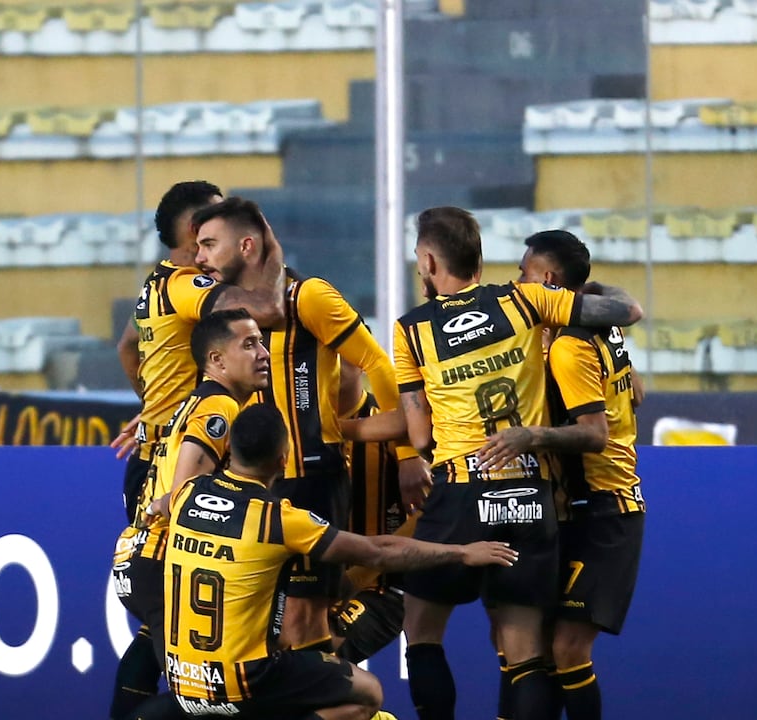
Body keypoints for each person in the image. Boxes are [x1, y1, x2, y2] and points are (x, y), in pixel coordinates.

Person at [341, 206, 642, 720]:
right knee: (525, 648)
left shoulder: (412, 329)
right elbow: (624, 313)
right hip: (529, 493)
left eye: (419, 259)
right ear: (481, 258)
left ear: (431, 261)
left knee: (422, 630)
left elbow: (419, 433)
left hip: (460, 491)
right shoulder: (527, 300)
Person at [163, 403, 519, 720]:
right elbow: (378, 551)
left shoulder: (186, 493)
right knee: (367, 695)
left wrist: (151, 508)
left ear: (229, 450)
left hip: (182, 681)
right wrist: (462, 552)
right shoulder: (277, 519)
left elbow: (160, 504)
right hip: (246, 681)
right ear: (284, 458)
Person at [192, 196, 402, 653]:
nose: (199, 257)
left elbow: (376, 364)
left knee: (304, 626)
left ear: (247, 245)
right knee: (264, 624)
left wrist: (405, 455)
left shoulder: (309, 297)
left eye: (209, 244)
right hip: (251, 486)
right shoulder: (221, 313)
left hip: (311, 478)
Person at [108, 182, 286, 720]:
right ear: (195, 232)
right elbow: (268, 310)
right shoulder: (190, 285)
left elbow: (126, 346)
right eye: (214, 220)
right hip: (178, 468)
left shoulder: (155, 284)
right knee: (192, 643)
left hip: (162, 450)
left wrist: (160, 405)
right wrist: (269, 249)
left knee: (164, 630)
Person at [511, 230, 646, 720]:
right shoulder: (605, 330)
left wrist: (533, 437)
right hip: (582, 509)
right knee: (541, 647)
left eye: (524, 273)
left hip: (606, 511)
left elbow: (594, 435)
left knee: (567, 647)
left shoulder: (568, 348)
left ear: (547, 280)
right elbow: (637, 394)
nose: (516, 282)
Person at [113, 308, 271, 720]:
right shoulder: (219, 406)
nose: (264, 353)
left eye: (262, 341)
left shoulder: (200, 399)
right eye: (249, 344)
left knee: (154, 661)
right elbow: (186, 496)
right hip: (163, 562)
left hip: (142, 559)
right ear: (216, 361)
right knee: (201, 691)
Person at [331, 363, 422, 664]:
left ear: (359, 362)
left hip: (380, 586)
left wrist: (360, 574)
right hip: (314, 586)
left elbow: (430, 510)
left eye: (336, 354)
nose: (325, 365)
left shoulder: (393, 424)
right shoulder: (297, 426)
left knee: (323, 650)